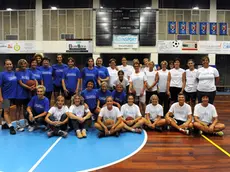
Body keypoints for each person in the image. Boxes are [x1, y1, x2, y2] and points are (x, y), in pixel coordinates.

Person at [15, 59, 37, 132]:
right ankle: (18, 124)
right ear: (19, 65)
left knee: (26, 108)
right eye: (22, 64)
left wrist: (35, 86)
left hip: (27, 93)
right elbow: (20, 83)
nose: (24, 65)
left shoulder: (29, 72)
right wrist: (30, 87)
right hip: (19, 93)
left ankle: (26, 121)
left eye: (25, 64)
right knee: (18, 108)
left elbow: (34, 80)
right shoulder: (18, 72)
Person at [0, 59, 17, 134]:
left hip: (13, 95)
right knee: (6, 112)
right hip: (5, 96)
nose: (9, 65)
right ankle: (11, 127)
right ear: (4, 66)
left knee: (4, 110)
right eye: (7, 64)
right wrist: (0, 97)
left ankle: (4, 124)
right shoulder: (2, 74)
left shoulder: (14, 73)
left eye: (10, 64)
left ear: (12, 65)